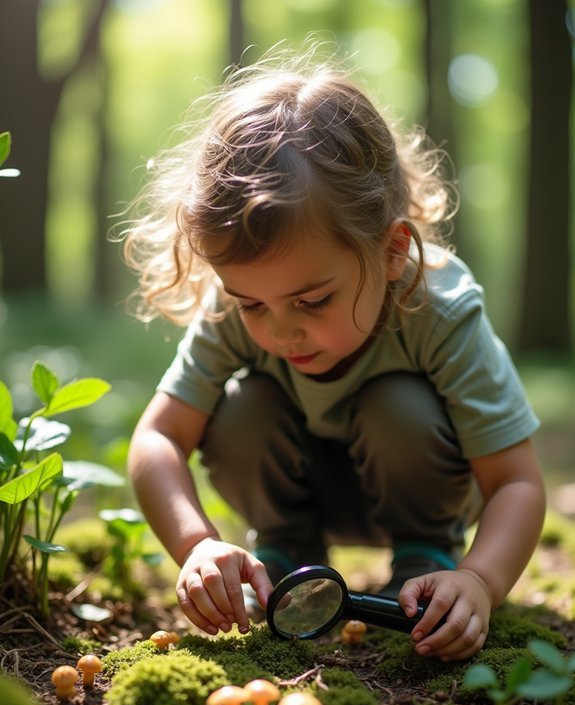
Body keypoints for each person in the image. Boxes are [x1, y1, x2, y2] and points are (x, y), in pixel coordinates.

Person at [123, 46, 546, 662]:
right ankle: (286, 551)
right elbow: (157, 438)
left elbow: (517, 480)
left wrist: (481, 579)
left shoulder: (443, 312)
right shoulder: (239, 308)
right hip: (298, 486)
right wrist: (196, 545)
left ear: (392, 251)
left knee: (397, 404)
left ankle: (425, 555)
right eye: (252, 305)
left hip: (420, 490)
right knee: (243, 407)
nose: (281, 330)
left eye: (314, 300)